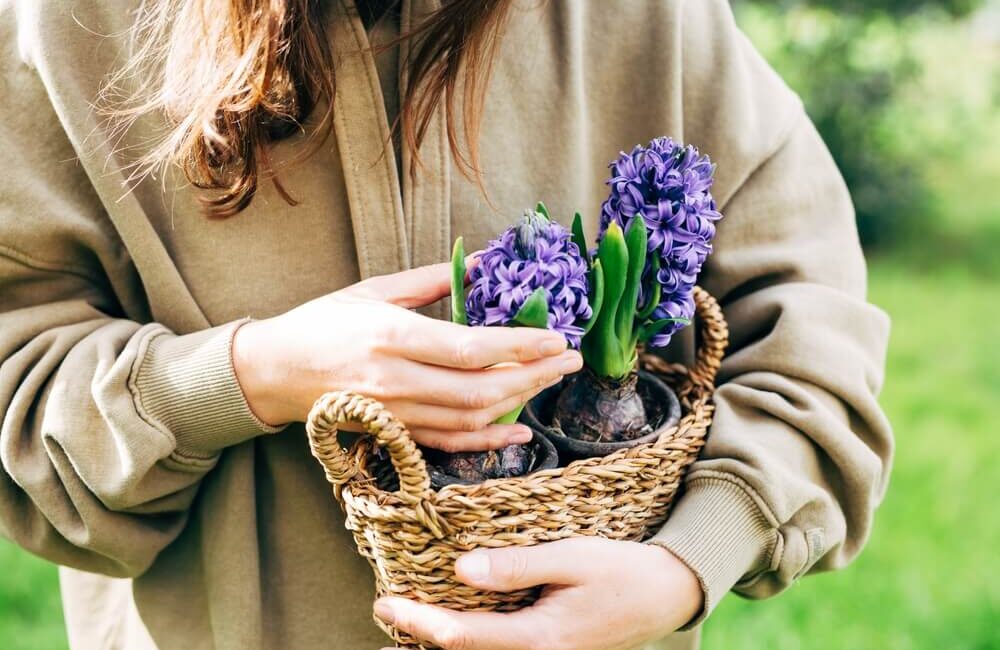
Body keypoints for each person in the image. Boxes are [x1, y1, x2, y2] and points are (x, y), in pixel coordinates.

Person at [0, 1, 893, 649]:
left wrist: (687, 564)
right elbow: (20, 378)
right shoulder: (71, 29)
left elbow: (815, 330)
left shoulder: (650, 21)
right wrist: (255, 374)